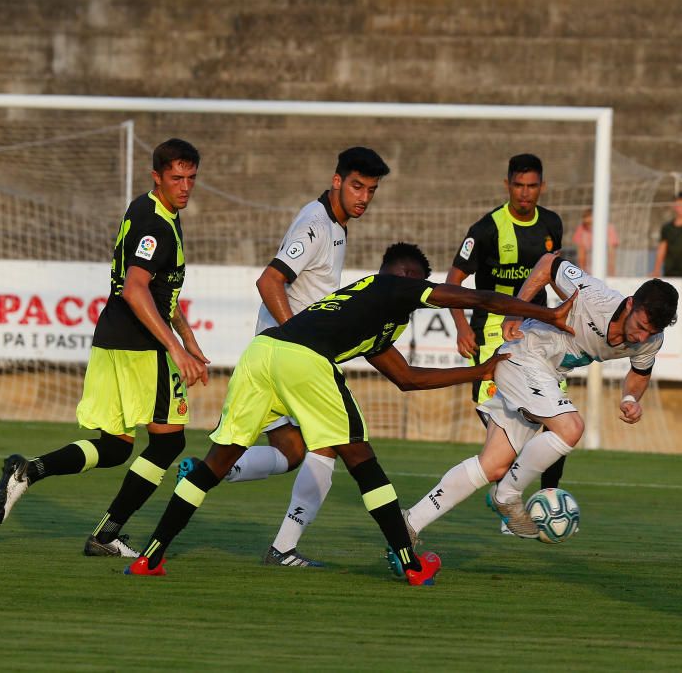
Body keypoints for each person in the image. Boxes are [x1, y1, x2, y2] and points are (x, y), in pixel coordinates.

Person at [125, 243, 576, 585]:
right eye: (418, 282)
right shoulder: (391, 286)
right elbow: (478, 300)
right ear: (404, 277)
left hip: (262, 355)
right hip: (300, 357)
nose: (421, 290)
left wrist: (478, 370)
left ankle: (151, 556)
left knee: (217, 462)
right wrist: (546, 313)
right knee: (361, 458)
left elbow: (407, 379)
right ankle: (411, 564)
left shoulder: (374, 316)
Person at [0, 139, 209, 559]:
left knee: (116, 446)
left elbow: (161, 291)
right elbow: (136, 289)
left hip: (111, 341)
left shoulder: (146, 208)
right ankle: (106, 535)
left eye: (191, 178)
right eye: (176, 178)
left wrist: (190, 339)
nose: (185, 186)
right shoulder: (157, 225)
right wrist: (175, 350)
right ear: (157, 176)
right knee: (167, 444)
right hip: (141, 348)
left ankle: (29, 471)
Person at [391, 253, 678, 575]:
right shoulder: (593, 295)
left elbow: (640, 372)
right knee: (571, 427)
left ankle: (409, 523)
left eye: (649, 332)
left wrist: (630, 397)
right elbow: (547, 263)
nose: (641, 337)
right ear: (629, 305)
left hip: (544, 375)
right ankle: (507, 495)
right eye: (639, 326)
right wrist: (516, 309)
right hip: (522, 356)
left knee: (493, 464)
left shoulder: (651, 338)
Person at [177, 146, 391, 568]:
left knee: (291, 451)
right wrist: (298, 337)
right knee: (330, 446)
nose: (363, 197)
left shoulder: (337, 224)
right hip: (288, 355)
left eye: (371, 190)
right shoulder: (314, 223)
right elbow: (269, 280)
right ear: (337, 181)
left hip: (278, 352)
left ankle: (207, 473)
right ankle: (283, 548)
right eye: (356, 186)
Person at [446, 153, 567, 531]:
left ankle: (546, 500)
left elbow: (553, 275)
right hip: (492, 335)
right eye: (519, 185)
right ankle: (507, 497)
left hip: (540, 336)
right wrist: (462, 327)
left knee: (557, 418)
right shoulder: (485, 230)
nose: (525, 193)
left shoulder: (551, 224)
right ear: (507, 185)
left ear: (541, 187)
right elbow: (452, 282)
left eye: (532, 186)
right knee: (503, 427)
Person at [652, 191, 682, 278]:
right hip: (669, 273)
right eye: (681, 205)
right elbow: (661, 250)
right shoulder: (667, 228)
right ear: (674, 206)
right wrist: (656, 270)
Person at [572, 207, 619, 276]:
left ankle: (611, 276)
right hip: (588, 255)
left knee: (610, 253)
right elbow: (580, 250)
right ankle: (583, 275)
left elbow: (611, 251)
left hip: (604, 255)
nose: (586, 220)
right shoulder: (582, 228)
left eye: (589, 218)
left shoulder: (608, 228)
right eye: (585, 218)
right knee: (581, 251)